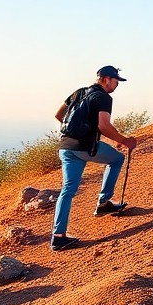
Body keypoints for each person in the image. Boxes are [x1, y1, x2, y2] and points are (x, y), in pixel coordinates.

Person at [50, 65, 138, 251]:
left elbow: (59, 115)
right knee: (116, 160)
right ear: (106, 79)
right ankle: (104, 203)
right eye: (116, 81)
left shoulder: (79, 92)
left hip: (65, 147)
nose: (117, 85)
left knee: (68, 189)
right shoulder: (103, 97)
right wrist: (124, 140)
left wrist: (75, 128)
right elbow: (104, 126)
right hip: (86, 147)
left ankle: (58, 237)